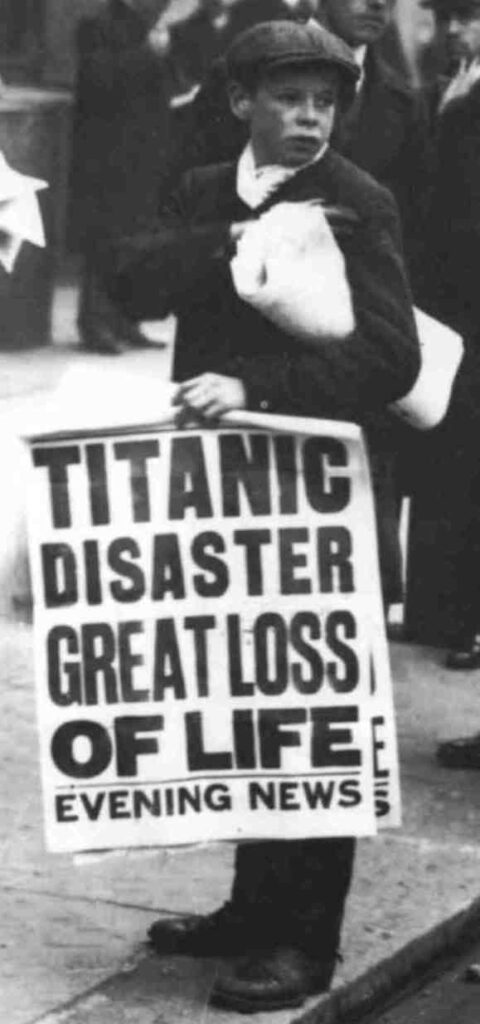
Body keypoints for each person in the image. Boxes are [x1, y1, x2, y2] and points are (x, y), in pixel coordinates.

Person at [109, 19, 419, 1012]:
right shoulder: (205, 186)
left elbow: (391, 356)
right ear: (241, 101)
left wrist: (251, 379)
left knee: (312, 714)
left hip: (318, 496)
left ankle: (304, 939)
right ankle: (252, 905)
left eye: (326, 102)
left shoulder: (359, 202)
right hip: (225, 495)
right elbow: (131, 282)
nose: (310, 118)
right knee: (240, 698)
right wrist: (231, 242)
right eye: (289, 98)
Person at [70, 0, 174, 354]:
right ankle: (94, 324)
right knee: (104, 242)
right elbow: (98, 80)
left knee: (137, 240)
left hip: (145, 152)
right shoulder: (96, 25)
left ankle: (125, 320)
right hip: (107, 156)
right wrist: (149, 52)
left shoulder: (153, 26)